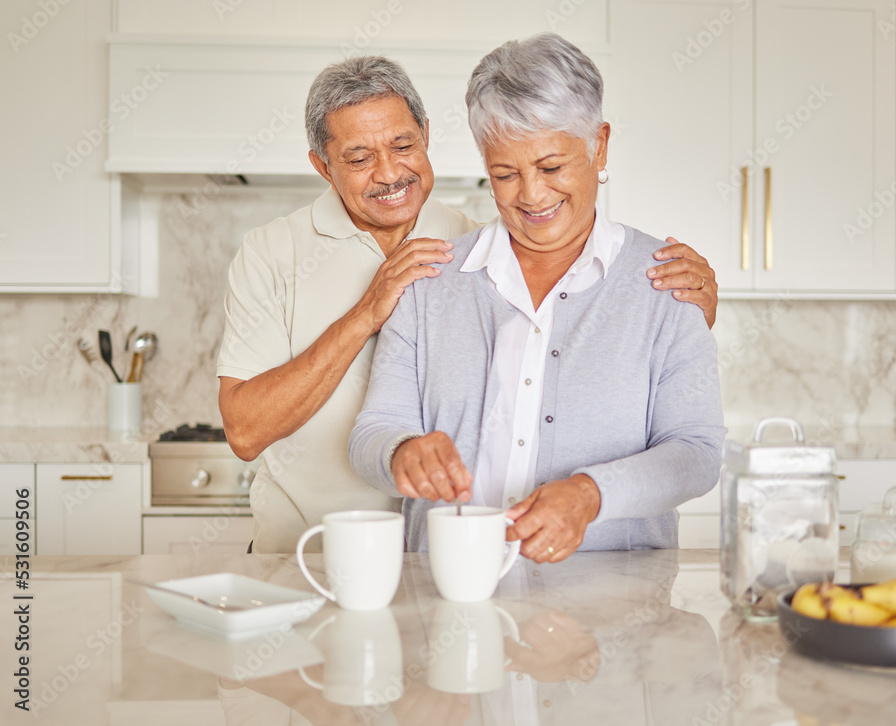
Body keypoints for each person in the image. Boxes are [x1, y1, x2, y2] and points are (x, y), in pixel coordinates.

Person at [218, 54, 720, 554]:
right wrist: (370, 326)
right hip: (322, 553)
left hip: (572, 588)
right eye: (358, 158)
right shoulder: (309, 258)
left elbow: (692, 445)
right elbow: (274, 431)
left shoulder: (658, 275)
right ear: (322, 167)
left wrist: (679, 318)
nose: (532, 194)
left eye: (402, 145)